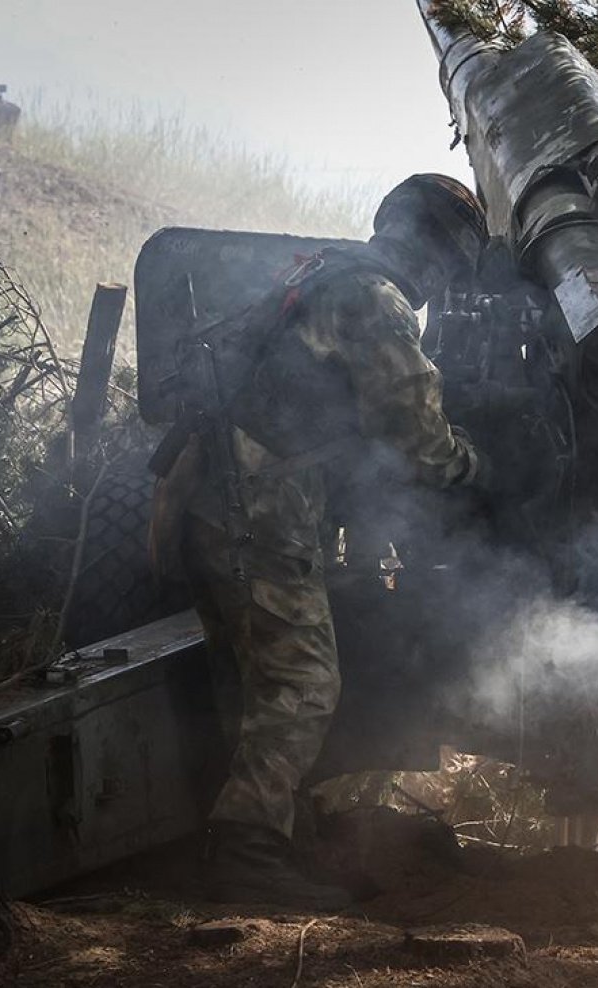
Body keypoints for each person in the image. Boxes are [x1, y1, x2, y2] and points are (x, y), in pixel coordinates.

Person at [151, 174, 491, 909]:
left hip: (213, 494)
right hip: (260, 504)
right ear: (440, 255)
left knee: (254, 680)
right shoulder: (378, 300)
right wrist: (475, 461)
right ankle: (248, 855)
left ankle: (278, 838)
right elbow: (417, 438)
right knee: (303, 683)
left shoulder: (321, 272)